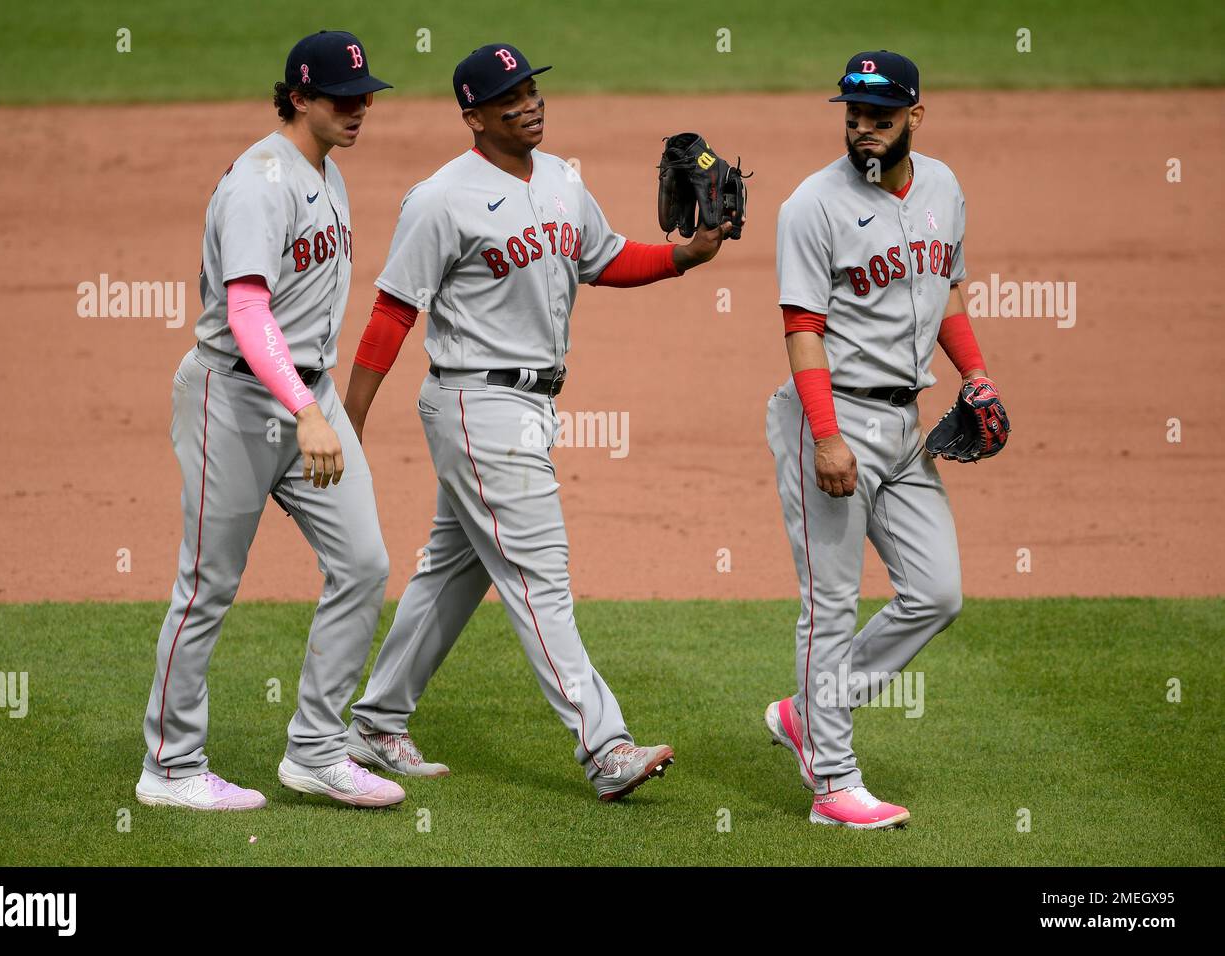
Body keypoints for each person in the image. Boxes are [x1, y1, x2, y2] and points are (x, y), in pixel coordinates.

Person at [342, 43, 734, 801]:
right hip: (476, 401)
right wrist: (347, 420)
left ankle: (374, 722)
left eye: (530, 88)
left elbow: (605, 255)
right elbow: (393, 311)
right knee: (538, 576)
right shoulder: (440, 198)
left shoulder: (561, 179)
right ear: (474, 116)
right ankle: (605, 746)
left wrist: (686, 256)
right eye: (507, 96)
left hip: (530, 404)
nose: (528, 102)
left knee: (452, 574)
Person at [136, 31, 404, 811]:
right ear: (297, 97)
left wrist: (317, 408)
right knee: (207, 585)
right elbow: (247, 310)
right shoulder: (260, 181)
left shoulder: (325, 172)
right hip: (238, 397)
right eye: (342, 99)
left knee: (363, 565)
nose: (359, 110)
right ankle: (171, 764)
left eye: (365, 97)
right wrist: (306, 411)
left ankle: (317, 749)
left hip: (301, 396)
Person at [764, 50, 1006, 829]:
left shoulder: (942, 186)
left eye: (881, 117)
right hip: (828, 421)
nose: (863, 130)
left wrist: (976, 377)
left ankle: (809, 712)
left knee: (936, 593)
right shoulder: (812, 205)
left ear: (915, 117)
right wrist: (828, 437)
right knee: (830, 607)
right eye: (853, 116)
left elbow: (949, 295)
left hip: (907, 428)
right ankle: (833, 783)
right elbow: (802, 330)